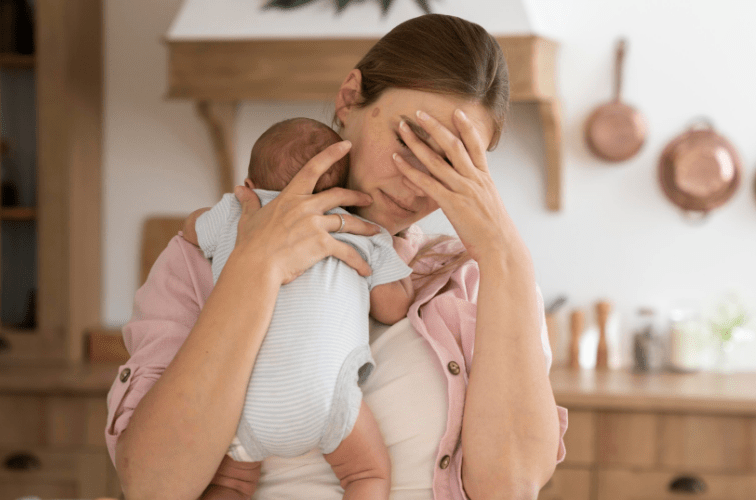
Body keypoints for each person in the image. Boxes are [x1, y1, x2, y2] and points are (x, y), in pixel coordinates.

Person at [106, 13, 568, 500]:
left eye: (450, 162)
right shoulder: (204, 259)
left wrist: (503, 252)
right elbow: (154, 487)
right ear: (350, 98)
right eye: (408, 139)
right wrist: (255, 269)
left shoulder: (479, 282)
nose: (416, 181)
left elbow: (509, 488)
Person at [181, 117, 416, 499]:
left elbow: (190, 230)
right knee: (367, 476)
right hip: (324, 398)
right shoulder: (356, 229)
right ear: (342, 191)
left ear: (250, 185)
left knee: (230, 484)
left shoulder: (237, 214)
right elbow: (393, 308)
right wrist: (398, 248)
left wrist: (229, 207)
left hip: (239, 400)